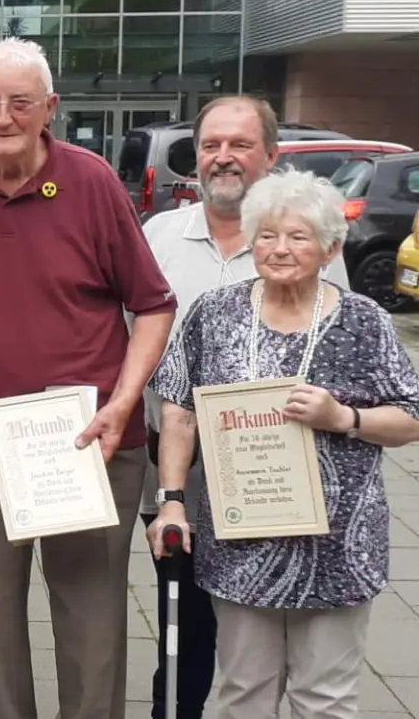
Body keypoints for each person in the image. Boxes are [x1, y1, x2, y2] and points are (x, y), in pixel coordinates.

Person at [0, 37, 177, 719]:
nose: (2, 116)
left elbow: (151, 304)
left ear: (48, 107)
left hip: (88, 444)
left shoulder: (89, 182)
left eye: (19, 102)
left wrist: (121, 405)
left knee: (92, 630)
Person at [147, 167, 419, 719]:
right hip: (243, 537)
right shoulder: (214, 315)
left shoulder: (364, 320)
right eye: (267, 234)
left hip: (339, 544)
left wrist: (343, 417)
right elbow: (179, 410)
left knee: (324, 698)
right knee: (243, 691)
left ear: (330, 247)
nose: (279, 248)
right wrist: (172, 498)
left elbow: (411, 416)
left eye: (298, 237)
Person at [136, 96, 351, 719]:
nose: (223, 158)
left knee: (270, 648)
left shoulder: (313, 244)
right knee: (183, 637)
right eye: (211, 145)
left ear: (272, 156)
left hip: (282, 481)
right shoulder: (156, 237)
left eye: (239, 145)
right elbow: (126, 344)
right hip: (175, 474)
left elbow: (343, 353)